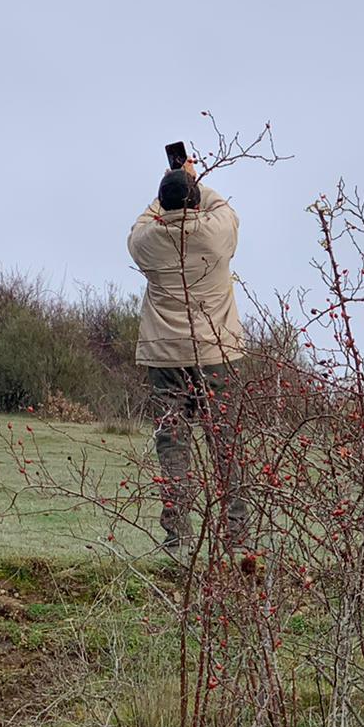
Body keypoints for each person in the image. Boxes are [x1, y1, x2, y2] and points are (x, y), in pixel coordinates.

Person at [127, 160, 249, 555]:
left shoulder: (147, 241)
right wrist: (192, 180)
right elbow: (224, 209)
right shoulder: (217, 234)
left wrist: (169, 187)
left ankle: (178, 534)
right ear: (196, 200)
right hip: (217, 352)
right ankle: (236, 534)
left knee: (173, 443)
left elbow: (145, 220)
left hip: (165, 356)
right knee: (226, 445)